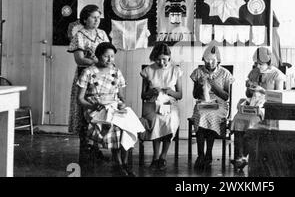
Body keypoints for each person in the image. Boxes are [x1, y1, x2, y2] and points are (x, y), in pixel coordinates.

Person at [77, 42, 145, 177]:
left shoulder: (116, 71)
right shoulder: (88, 72)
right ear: (97, 56)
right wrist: (93, 106)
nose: (110, 60)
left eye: (112, 57)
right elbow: (80, 99)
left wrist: (122, 104)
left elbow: (121, 96)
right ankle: (118, 164)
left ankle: (124, 164)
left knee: (129, 125)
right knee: (116, 127)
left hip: (114, 106)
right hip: (96, 108)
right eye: (106, 56)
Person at [230, 47, 286, 170]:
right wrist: (249, 88)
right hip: (253, 104)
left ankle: (245, 156)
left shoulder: (277, 75)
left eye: (261, 64)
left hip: (268, 107)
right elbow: (248, 95)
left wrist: (263, 91)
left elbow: (279, 98)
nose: (258, 67)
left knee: (252, 121)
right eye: (257, 64)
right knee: (238, 119)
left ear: (269, 62)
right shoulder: (254, 72)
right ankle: (239, 157)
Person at [67, 5, 110, 160]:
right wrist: (98, 61)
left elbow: (109, 55)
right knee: (85, 111)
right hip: (85, 75)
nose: (97, 20)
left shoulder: (103, 34)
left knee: (99, 109)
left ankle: (96, 148)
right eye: (93, 17)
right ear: (85, 19)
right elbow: (79, 59)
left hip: (101, 76)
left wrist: (98, 61)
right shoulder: (79, 35)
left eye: (99, 17)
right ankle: (85, 151)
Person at [190, 45, 234, 171]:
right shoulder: (198, 72)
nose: (210, 63)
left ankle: (208, 153)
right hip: (203, 102)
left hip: (219, 104)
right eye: (207, 60)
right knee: (201, 114)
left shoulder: (225, 73)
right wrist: (200, 84)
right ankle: (200, 155)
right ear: (203, 60)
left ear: (218, 60)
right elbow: (194, 94)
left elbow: (226, 96)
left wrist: (213, 85)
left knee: (210, 115)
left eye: (213, 60)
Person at [140, 43, 183, 171]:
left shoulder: (176, 70)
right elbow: (143, 95)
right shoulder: (148, 70)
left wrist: (170, 91)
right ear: (154, 58)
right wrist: (152, 92)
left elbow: (179, 95)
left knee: (169, 119)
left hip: (169, 103)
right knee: (156, 119)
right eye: (158, 59)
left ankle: (163, 157)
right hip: (153, 102)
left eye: (165, 59)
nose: (162, 62)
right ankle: (155, 157)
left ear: (169, 57)